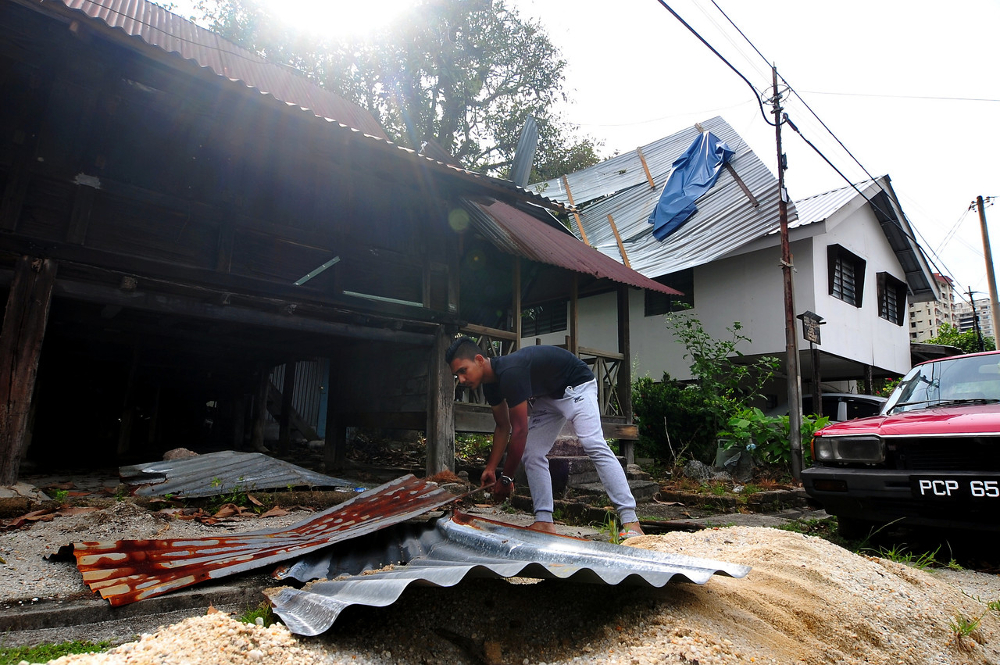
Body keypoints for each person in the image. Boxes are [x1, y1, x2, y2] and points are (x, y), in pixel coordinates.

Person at [445, 336, 644, 539]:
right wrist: (491, 467)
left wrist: (506, 478)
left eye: (463, 371)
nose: (461, 380)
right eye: (456, 375)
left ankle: (631, 522)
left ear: (479, 359)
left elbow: (520, 430)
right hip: (547, 397)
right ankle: (544, 522)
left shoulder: (510, 372)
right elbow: (503, 426)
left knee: (592, 442)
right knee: (532, 453)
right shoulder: (490, 384)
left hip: (576, 386)